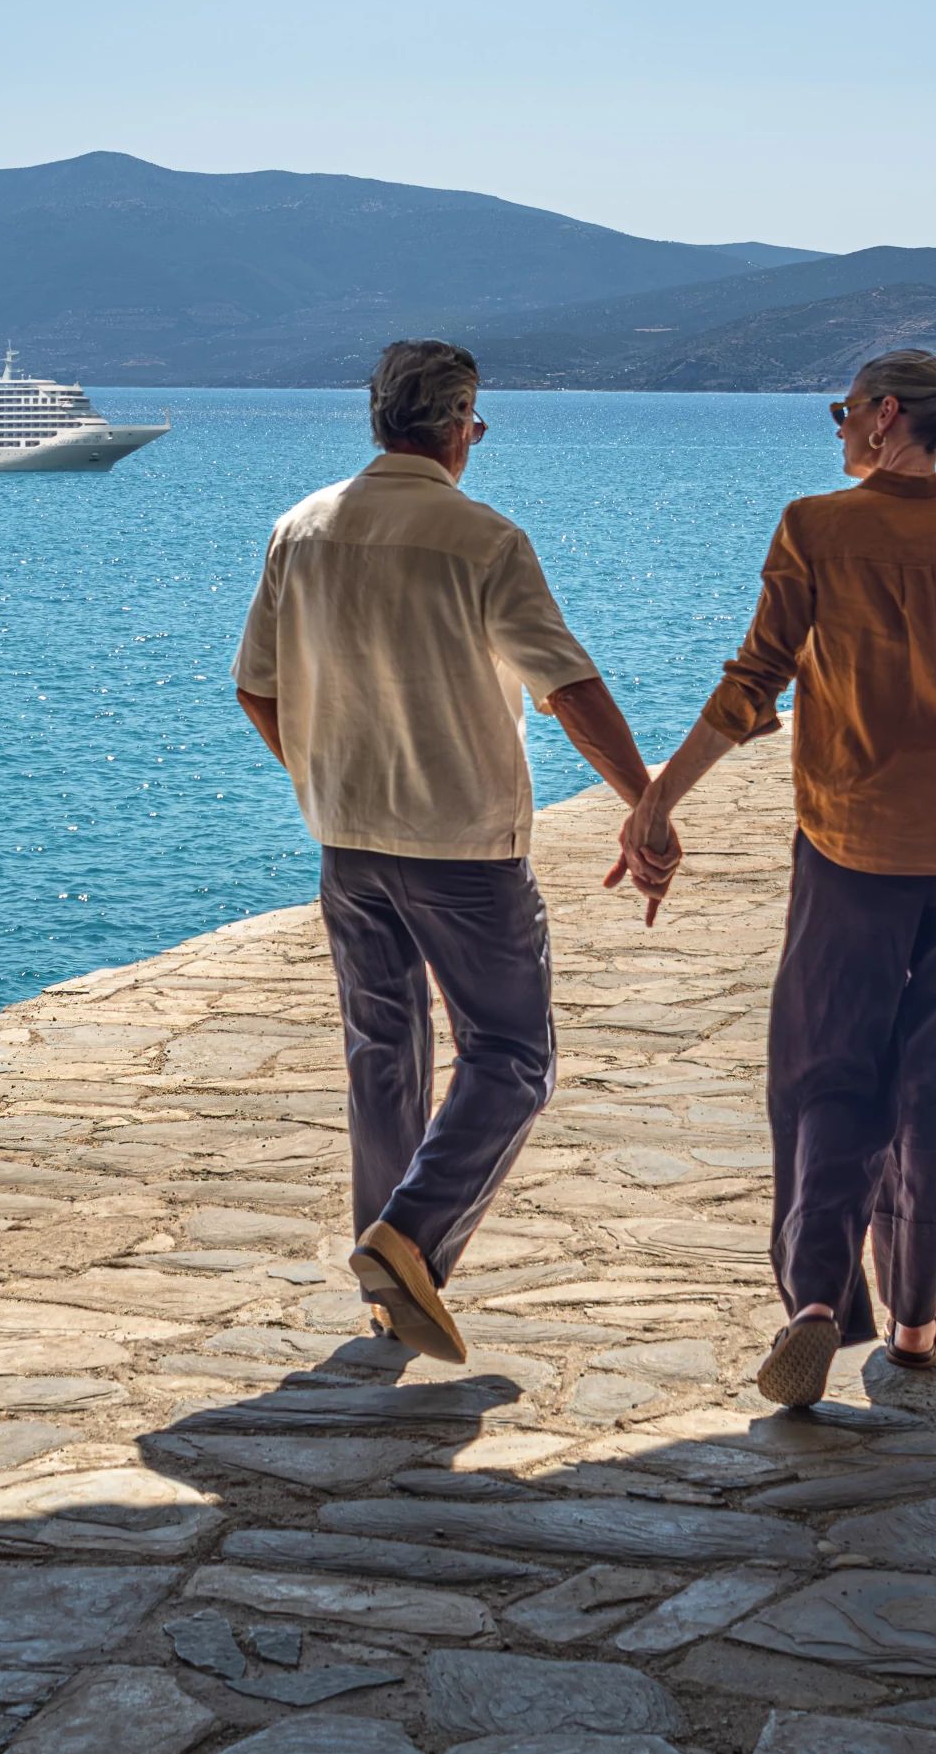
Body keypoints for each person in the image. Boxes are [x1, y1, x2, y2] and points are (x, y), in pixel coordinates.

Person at [615, 348, 936, 1408]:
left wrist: (660, 795)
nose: (836, 428)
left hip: (851, 852)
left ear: (882, 417)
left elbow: (754, 681)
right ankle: (916, 1320)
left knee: (827, 1074)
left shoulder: (816, 526)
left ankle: (817, 1302)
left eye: (841, 410)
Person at [236, 338, 670, 1364]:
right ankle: (410, 1236)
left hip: (346, 838)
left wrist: (318, 775)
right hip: (462, 846)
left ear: (378, 417)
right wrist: (644, 801)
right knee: (513, 1055)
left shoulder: (299, 528)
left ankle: (391, 1292)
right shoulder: (481, 538)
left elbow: (257, 685)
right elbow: (566, 685)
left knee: (381, 1057)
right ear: (458, 421)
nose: (477, 435)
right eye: (476, 420)